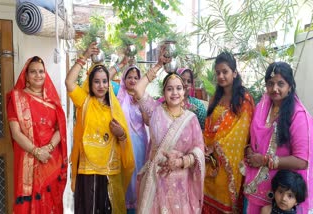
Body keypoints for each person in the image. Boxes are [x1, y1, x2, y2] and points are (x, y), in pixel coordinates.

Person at [65, 42, 135, 214]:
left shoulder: (114, 108)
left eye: (104, 81)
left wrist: (121, 135)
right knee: (88, 208)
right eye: (96, 82)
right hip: (87, 169)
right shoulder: (85, 101)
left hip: (110, 170)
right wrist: (85, 56)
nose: (101, 85)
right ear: (90, 83)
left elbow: (124, 137)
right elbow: (69, 82)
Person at [134, 48, 205, 214]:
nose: (175, 93)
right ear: (164, 93)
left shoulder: (191, 119)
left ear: (184, 91)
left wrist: (181, 162)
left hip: (181, 186)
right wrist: (159, 65)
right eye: (170, 89)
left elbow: (199, 150)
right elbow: (138, 90)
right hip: (156, 182)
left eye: (179, 88)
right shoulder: (155, 111)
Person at [243, 62, 313, 214]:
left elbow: (302, 161)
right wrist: (249, 149)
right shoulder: (264, 105)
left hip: (281, 194)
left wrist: (264, 160)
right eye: (270, 83)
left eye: (280, 84)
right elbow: (255, 138)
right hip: (255, 184)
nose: (274, 89)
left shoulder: (298, 116)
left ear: (290, 86)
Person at [7, 56, 67, 213]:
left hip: (51, 158)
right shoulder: (16, 98)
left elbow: (60, 129)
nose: (38, 75)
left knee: (51, 201)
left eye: (41, 71)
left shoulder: (53, 100)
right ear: (26, 75)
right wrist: (36, 151)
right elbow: (15, 132)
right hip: (29, 157)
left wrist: (48, 148)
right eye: (33, 72)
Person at [202, 51, 254, 213]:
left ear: (234, 73)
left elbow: (241, 134)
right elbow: (208, 126)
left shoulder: (244, 100)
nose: (221, 76)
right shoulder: (215, 98)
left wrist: (215, 147)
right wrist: (203, 147)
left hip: (229, 163)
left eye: (225, 72)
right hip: (209, 161)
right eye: (218, 73)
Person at [116, 65, 149, 213]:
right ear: (124, 78)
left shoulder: (142, 96)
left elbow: (148, 121)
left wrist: (141, 103)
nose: (133, 80)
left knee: (138, 174)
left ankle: (138, 207)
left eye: (136, 78)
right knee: (124, 173)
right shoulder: (119, 95)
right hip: (122, 142)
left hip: (139, 143)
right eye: (129, 77)